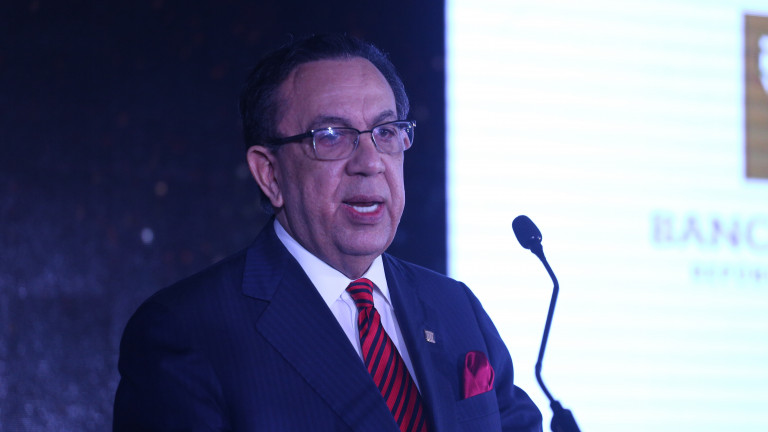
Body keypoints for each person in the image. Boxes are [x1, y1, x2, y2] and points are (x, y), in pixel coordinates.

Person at [113, 33, 543, 432]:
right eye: (332, 136)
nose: (370, 162)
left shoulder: (455, 306)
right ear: (269, 173)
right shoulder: (187, 331)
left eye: (386, 132)